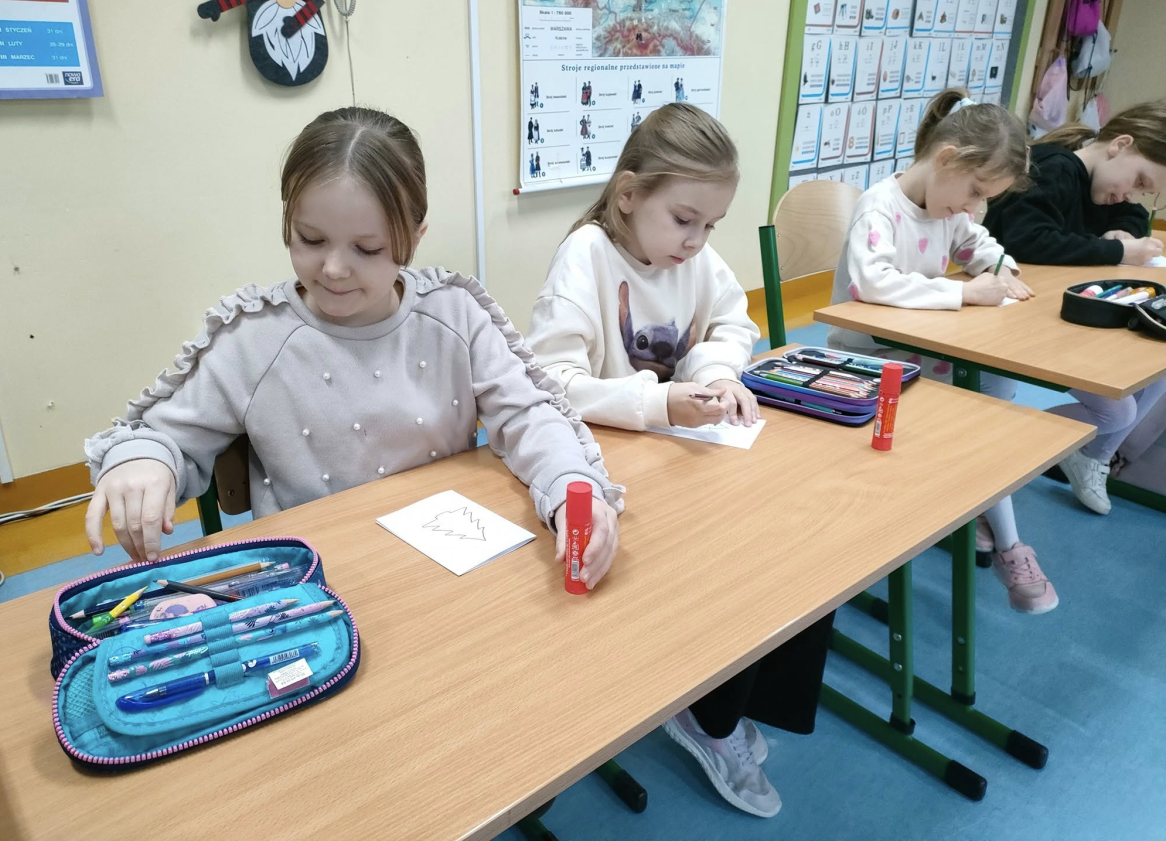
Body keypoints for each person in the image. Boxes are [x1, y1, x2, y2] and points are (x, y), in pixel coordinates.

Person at [84, 107, 623, 594]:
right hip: (321, 589)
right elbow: (164, 435)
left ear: (415, 237)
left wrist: (570, 486)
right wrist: (143, 461)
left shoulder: (456, 314)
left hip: (455, 572)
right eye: (310, 239)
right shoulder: (254, 338)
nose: (335, 269)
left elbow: (529, 414)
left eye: (368, 248)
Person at [527, 103, 832, 819]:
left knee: (801, 542)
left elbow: (731, 321)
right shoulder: (588, 257)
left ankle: (721, 701)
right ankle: (707, 716)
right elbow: (552, 384)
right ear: (629, 195)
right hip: (610, 469)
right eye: (684, 220)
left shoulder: (691, 256)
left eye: (710, 226)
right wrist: (660, 402)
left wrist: (719, 374)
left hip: (682, 457)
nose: (696, 242)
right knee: (726, 563)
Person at [826, 89, 1059, 615]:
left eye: (984, 200)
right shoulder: (880, 207)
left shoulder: (949, 212)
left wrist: (1002, 270)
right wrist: (964, 293)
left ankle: (993, 524)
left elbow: (980, 246)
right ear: (947, 158)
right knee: (986, 415)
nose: (973, 208)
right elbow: (871, 283)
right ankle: (1005, 538)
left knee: (992, 400)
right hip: (869, 362)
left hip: (920, 353)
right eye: (974, 191)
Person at [983, 101, 1166, 515]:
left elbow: (1134, 215)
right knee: (1117, 411)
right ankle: (1011, 447)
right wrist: (1118, 250)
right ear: (1120, 144)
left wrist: (1124, 231)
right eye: (1138, 181)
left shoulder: (1103, 186)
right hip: (1013, 320)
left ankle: (1092, 456)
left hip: (1058, 320)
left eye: (1143, 190)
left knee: (1156, 366)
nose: (1131, 194)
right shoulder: (1054, 168)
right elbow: (1028, 240)